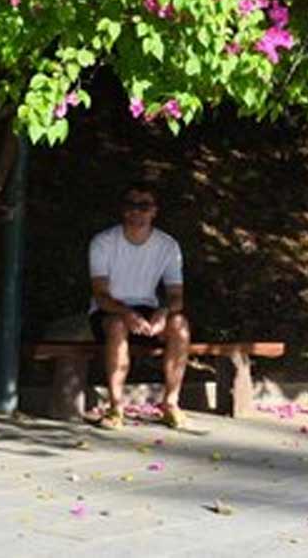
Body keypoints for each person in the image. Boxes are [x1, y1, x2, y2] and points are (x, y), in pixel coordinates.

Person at [89, 180, 191, 429]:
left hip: (147, 308)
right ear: (123, 209)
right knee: (116, 326)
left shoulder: (168, 246)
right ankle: (116, 407)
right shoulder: (103, 242)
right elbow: (101, 294)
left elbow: (176, 295)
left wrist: (163, 313)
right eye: (131, 205)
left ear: (154, 211)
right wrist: (126, 312)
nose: (136, 211)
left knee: (180, 324)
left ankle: (171, 403)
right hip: (110, 310)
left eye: (144, 206)